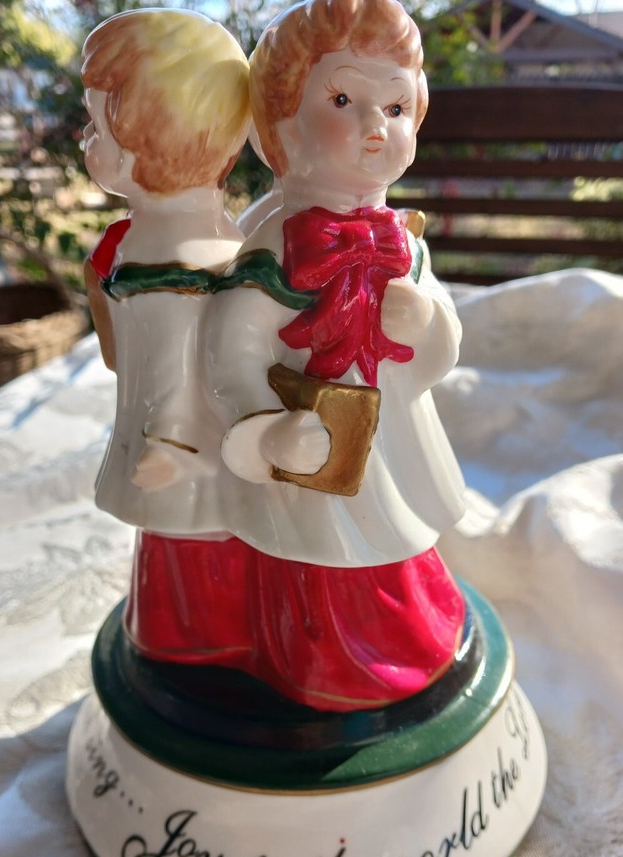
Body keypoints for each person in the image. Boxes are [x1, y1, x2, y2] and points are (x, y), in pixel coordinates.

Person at [200, 0, 468, 710]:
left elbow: (443, 345)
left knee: (396, 527)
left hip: (390, 433)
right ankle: (325, 663)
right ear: (283, 124)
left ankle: (409, 636)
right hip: (310, 437)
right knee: (317, 546)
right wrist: (264, 429)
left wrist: (426, 323)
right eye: (344, 100)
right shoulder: (276, 244)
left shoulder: (404, 240)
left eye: (397, 106)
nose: (377, 126)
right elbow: (230, 348)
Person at [81, 9, 257, 666]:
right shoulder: (191, 238)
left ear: (148, 144)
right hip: (194, 443)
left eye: (95, 128)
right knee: (191, 540)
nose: (84, 141)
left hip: (181, 447)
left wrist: (171, 441)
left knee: (194, 545)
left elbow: (171, 364)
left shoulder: (170, 262)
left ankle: (195, 643)